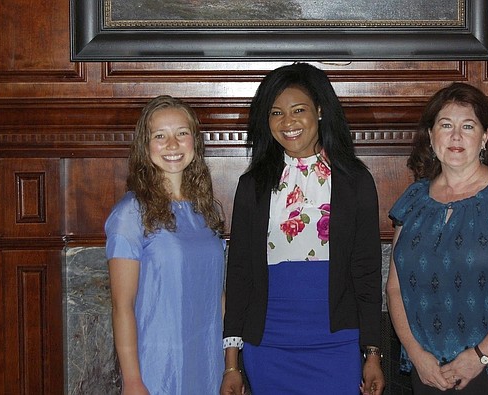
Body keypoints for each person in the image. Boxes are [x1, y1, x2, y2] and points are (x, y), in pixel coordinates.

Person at [220, 63, 385, 395]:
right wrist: (232, 364)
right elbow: (239, 275)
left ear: (320, 111)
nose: (287, 121)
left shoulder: (355, 181)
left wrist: (373, 353)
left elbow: (366, 272)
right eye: (276, 113)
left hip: (336, 342)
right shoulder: (252, 185)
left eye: (298, 110)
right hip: (268, 343)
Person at [386, 83, 488, 395]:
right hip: (427, 370)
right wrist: (417, 356)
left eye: (468, 126)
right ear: (431, 136)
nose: (456, 136)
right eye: (446, 125)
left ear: (485, 137)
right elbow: (394, 288)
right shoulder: (414, 199)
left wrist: (478, 357)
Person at [105, 95, 226, 394]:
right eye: (160, 136)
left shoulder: (205, 210)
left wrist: (230, 363)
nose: (172, 145)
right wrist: (133, 381)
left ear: (194, 143)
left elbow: (218, 296)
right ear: (145, 148)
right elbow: (122, 306)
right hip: (157, 366)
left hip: (208, 362)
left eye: (181, 133)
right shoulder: (130, 213)